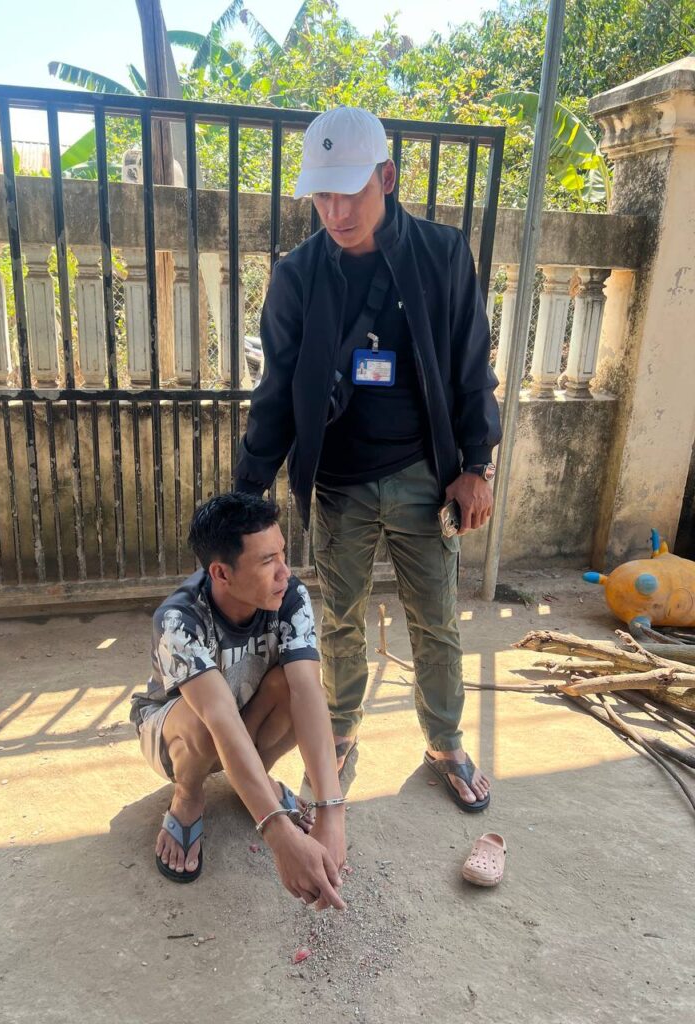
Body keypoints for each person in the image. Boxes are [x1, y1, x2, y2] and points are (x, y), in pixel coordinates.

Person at [235, 107, 502, 812]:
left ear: (387, 177)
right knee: (339, 620)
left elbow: (472, 365)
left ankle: (444, 741)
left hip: (425, 476)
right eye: (322, 195)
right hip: (339, 483)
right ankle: (341, 730)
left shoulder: (442, 254)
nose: (335, 211)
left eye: (349, 191)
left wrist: (477, 463)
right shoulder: (297, 276)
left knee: (437, 620)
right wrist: (248, 494)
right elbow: (277, 392)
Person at [130, 492, 347, 909]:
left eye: (283, 554)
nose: (285, 572)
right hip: (173, 735)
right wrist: (279, 834)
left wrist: (331, 813)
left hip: (242, 718)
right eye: (268, 562)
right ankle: (188, 798)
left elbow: (307, 693)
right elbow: (219, 717)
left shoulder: (290, 597)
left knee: (293, 686)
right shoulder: (178, 619)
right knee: (204, 722)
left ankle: (254, 781)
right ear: (221, 573)